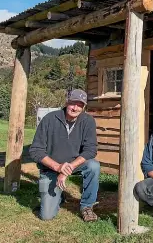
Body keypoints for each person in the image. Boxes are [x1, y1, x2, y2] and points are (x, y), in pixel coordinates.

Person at [29, 89, 100, 222]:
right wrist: (57, 167)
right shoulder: (49, 119)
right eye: (73, 103)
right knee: (46, 216)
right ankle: (58, 198)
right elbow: (36, 150)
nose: (75, 108)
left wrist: (67, 169)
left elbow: (91, 150)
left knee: (93, 166)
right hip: (51, 168)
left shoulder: (88, 121)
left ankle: (87, 207)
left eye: (80, 105)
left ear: (84, 107)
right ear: (67, 102)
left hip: (74, 165)